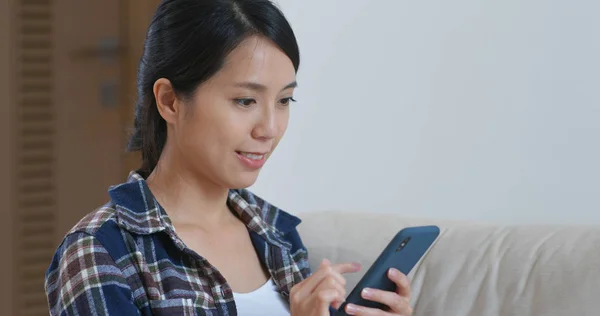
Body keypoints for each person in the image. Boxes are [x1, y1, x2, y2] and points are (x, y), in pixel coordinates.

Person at [44, 0, 413, 315]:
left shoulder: (276, 233)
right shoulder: (99, 252)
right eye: (245, 101)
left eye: (284, 100)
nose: (269, 128)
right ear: (169, 101)